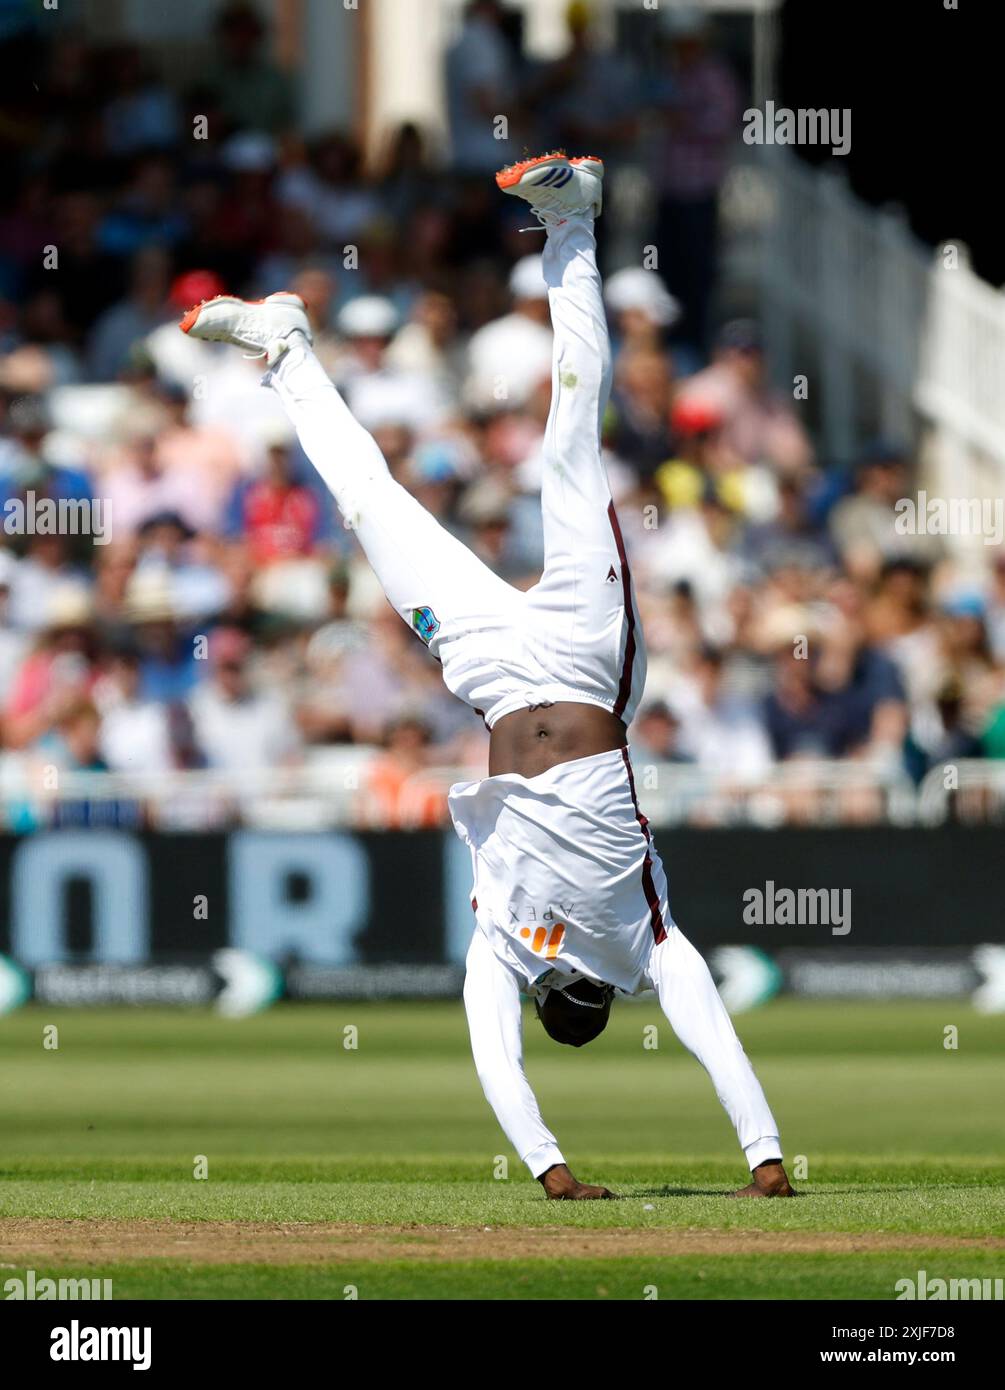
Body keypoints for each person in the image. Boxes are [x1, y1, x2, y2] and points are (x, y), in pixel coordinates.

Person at [180, 152, 792, 1200]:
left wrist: (555, 1169)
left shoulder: (507, 939)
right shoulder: (647, 937)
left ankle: (285, 346)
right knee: (568, 456)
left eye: (565, 996)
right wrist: (762, 1159)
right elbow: (702, 1026)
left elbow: (492, 1053)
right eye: (579, 998)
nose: (569, 984)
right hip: (593, 670)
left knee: (372, 507)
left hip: (496, 679)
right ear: (591, 998)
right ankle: (574, 227)